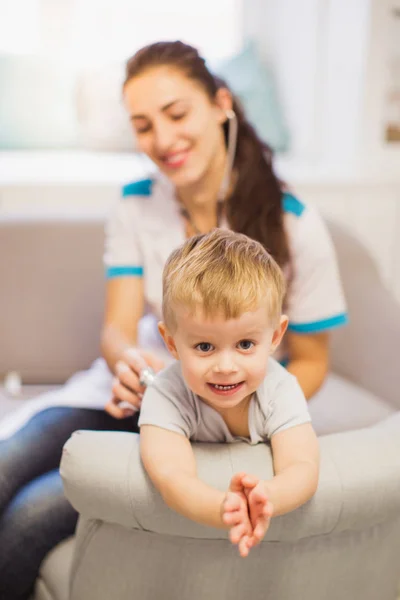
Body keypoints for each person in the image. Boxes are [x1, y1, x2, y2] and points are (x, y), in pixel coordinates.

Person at [0, 40, 346, 599]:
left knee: (31, 515)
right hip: (132, 394)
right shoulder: (136, 205)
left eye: (177, 113)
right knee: (6, 463)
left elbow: (312, 360)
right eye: (142, 125)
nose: (162, 139)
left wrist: (226, 402)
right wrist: (131, 364)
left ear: (221, 104)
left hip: (227, 409)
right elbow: (118, 329)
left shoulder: (295, 225)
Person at [139, 228, 319, 558]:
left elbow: (303, 467)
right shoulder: (166, 393)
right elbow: (170, 475)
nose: (225, 366)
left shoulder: (280, 388)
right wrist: (223, 506)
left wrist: (266, 498)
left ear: (276, 336)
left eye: (245, 344)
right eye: (205, 346)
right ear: (170, 342)